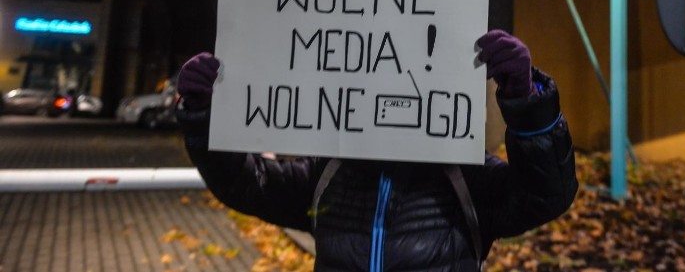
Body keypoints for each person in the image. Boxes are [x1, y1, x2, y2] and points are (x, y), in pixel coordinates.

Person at [176, 29, 578, 271]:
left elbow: (546, 195)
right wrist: (204, 115)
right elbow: (247, 185)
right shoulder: (330, 173)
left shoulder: (460, 175)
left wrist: (528, 103)